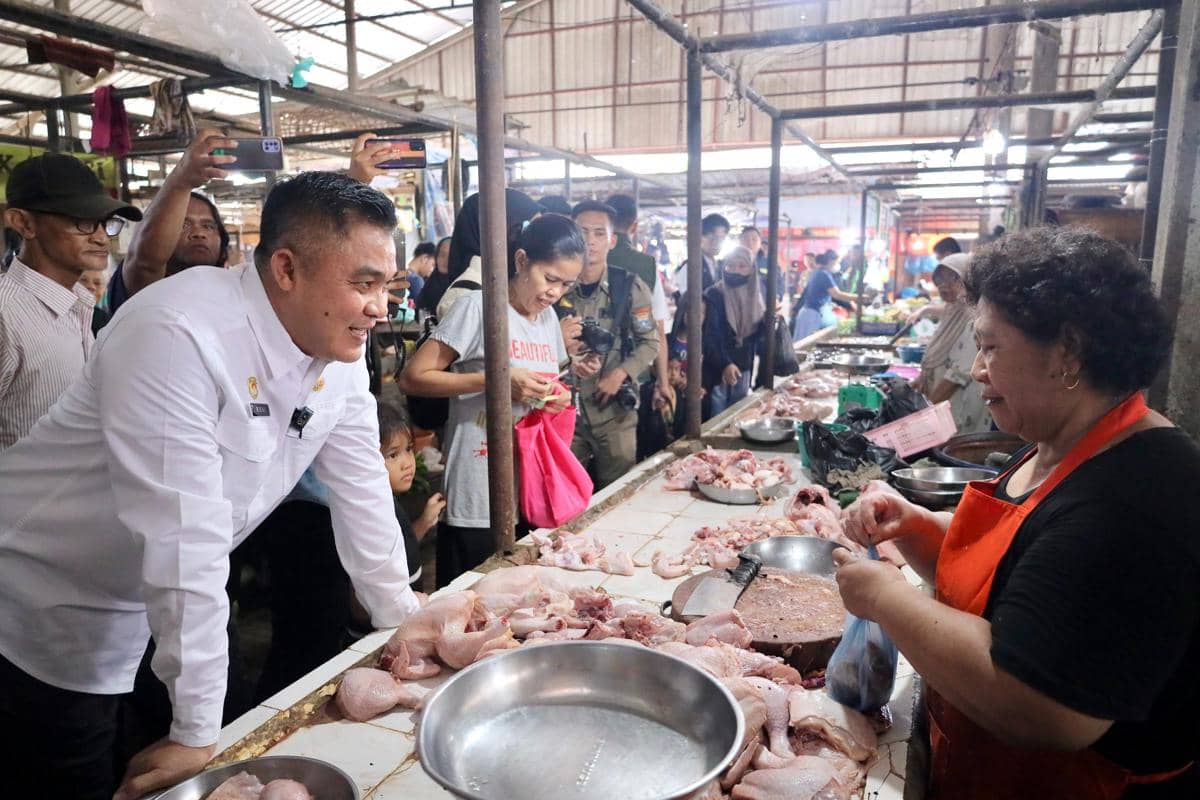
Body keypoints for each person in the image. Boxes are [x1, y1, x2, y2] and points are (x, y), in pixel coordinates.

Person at [0, 171, 422, 800]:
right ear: (286, 268)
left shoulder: (337, 345)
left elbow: (362, 488)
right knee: (73, 768)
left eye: (386, 286)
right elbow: (184, 534)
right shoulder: (179, 331)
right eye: (364, 283)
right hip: (50, 600)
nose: (379, 306)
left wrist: (404, 630)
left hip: (153, 600)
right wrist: (199, 729)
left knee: (144, 744)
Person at [834, 226, 1195, 800]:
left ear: (1067, 353)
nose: (977, 369)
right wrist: (918, 527)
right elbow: (1024, 572)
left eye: (991, 346)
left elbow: (1040, 707)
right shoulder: (1059, 438)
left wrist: (885, 599)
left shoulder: (1137, 497)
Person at [398, 214, 581, 587]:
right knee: (472, 604)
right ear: (521, 260)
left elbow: (543, 385)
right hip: (477, 489)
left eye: (566, 285)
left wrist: (553, 397)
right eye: (549, 278)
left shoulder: (546, 320)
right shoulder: (478, 308)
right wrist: (495, 380)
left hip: (528, 485)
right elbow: (413, 378)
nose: (554, 293)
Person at [0, 152, 142, 451]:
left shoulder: (80, 307)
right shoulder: (6, 316)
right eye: (82, 222)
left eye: (106, 223)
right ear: (23, 223)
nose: (102, 238)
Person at [558, 200, 659, 489]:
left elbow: (649, 342)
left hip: (613, 415)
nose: (590, 240)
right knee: (566, 498)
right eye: (583, 231)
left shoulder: (628, 286)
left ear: (612, 241)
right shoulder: (553, 287)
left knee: (617, 495)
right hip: (565, 414)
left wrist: (620, 373)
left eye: (599, 233)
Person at [107, 129, 233, 314]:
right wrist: (182, 179)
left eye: (208, 226)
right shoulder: (146, 287)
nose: (199, 233)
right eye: (184, 225)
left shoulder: (230, 294)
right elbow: (146, 262)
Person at [605, 193, 675, 454]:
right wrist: (663, 381)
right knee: (629, 451)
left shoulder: (581, 259)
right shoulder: (646, 265)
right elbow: (658, 330)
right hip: (634, 373)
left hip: (588, 374)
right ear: (634, 226)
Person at [908, 253, 989, 433]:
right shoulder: (952, 311)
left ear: (968, 280)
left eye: (953, 278)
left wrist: (925, 409)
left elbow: (957, 375)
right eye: (939, 280)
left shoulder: (973, 318)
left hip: (958, 403)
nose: (944, 285)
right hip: (939, 403)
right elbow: (937, 356)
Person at [438, 188, 543, 319]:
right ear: (508, 230)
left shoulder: (513, 284)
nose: (539, 242)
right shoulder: (464, 295)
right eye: (530, 230)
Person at [377, 402, 446, 591]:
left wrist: (425, 521)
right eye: (393, 455)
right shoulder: (374, 512)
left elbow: (401, 547)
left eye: (408, 449)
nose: (407, 463)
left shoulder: (392, 504)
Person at [702, 246, 766, 418]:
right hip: (717, 368)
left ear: (752, 271)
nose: (735, 270)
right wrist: (725, 363)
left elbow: (754, 338)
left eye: (742, 266)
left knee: (738, 416)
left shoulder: (756, 297)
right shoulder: (714, 295)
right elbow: (710, 335)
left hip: (744, 365)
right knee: (717, 416)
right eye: (730, 265)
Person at [792, 250, 858, 341]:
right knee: (806, 345)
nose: (838, 265)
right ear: (831, 261)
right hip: (811, 315)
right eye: (837, 262)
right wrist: (859, 297)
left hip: (809, 313)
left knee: (803, 343)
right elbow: (837, 295)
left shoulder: (819, 272)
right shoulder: (823, 274)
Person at [673, 212, 729, 297]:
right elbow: (686, 300)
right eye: (712, 237)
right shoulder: (690, 266)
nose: (716, 242)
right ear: (700, 237)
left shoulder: (720, 265)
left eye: (721, 238)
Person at [416, 235, 454, 318]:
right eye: (442, 255)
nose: (446, 260)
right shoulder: (429, 285)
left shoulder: (461, 285)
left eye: (451, 255)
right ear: (436, 256)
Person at [77, 268, 112, 334]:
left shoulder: (107, 322)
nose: (91, 286)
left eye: (97, 283)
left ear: (104, 290)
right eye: (83, 280)